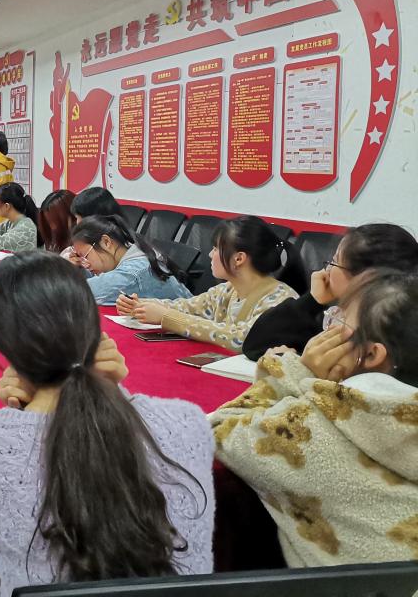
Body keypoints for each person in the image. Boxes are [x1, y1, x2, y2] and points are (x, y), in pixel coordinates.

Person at [0, 252, 213, 596]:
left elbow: (38, 449)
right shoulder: (190, 422)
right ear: (94, 330)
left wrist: (28, 408)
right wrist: (110, 388)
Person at [211, 268, 418, 567]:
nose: (326, 330)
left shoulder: (313, 428)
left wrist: (295, 372)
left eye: (338, 322)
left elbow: (218, 430)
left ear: (372, 355)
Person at [117, 216, 306, 351]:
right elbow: (186, 307)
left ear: (239, 258)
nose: (210, 254)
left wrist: (166, 317)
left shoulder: (281, 300)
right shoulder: (226, 291)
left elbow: (241, 338)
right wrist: (140, 306)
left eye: (215, 249)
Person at [242, 224, 418, 360]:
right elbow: (254, 345)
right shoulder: (332, 316)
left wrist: (298, 367)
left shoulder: (371, 337)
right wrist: (312, 301)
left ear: (363, 279)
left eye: (334, 262)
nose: (326, 270)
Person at [71, 215, 191, 305]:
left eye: (85, 256)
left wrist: (67, 270)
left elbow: (78, 292)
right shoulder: (129, 250)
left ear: (106, 242)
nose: (85, 264)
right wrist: (76, 268)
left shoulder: (133, 272)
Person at [37, 189, 76, 253]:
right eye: (48, 222)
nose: (53, 227)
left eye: (55, 221)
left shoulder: (83, 242)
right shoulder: (51, 241)